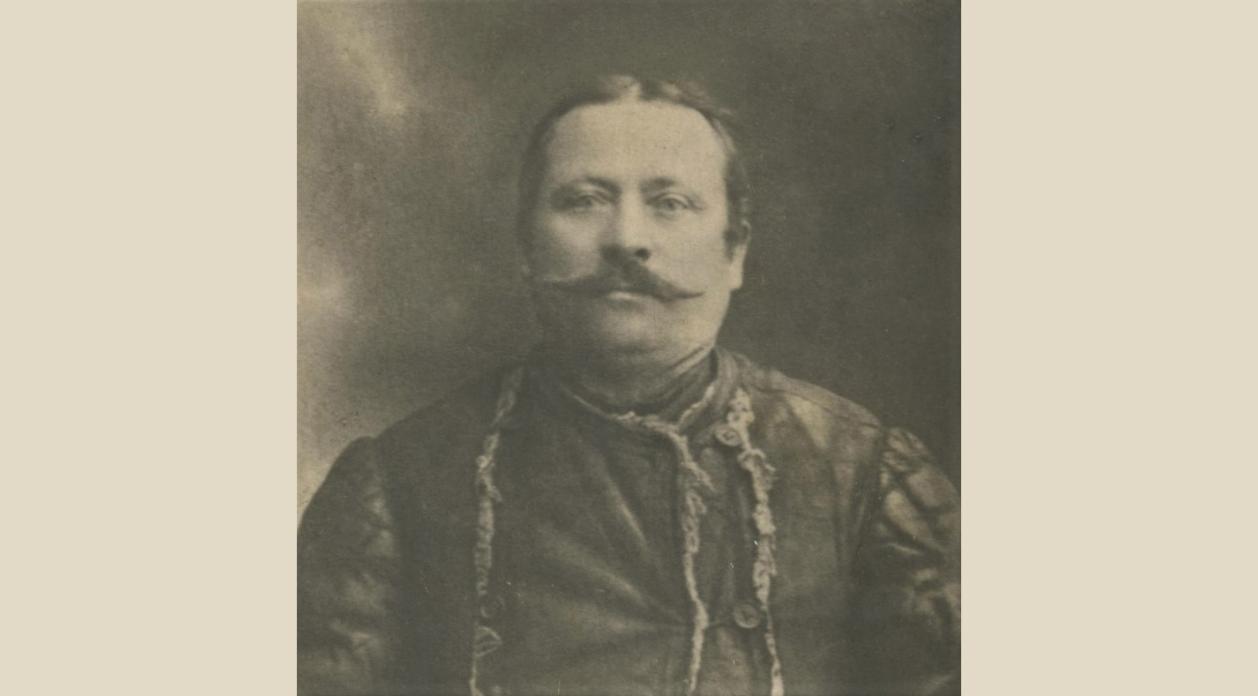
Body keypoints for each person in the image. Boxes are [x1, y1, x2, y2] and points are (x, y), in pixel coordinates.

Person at [298, 75, 960, 696]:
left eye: (671, 203)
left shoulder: (865, 476)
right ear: (526, 247)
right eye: (583, 200)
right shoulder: (396, 489)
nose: (627, 239)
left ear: (735, 252)